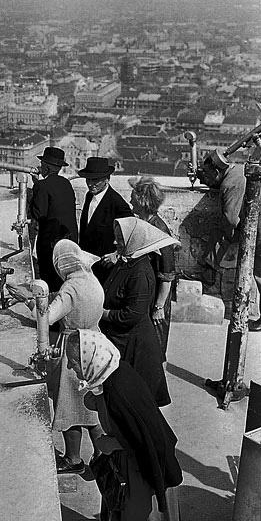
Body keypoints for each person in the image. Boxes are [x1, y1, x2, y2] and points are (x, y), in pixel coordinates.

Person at [64, 329, 183, 521]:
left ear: (90, 360)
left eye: (73, 361)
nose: (69, 367)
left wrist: (110, 444)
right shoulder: (114, 373)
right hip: (129, 466)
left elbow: (145, 438)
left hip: (141, 474)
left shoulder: (118, 393)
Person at [6, 239, 104, 474]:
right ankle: (103, 456)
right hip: (95, 343)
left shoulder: (71, 287)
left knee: (69, 404)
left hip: (73, 347)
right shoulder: (90, 278)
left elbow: (47, 318)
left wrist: (28, 299)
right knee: (93, 407)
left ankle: (73, 459)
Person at [100, 217, 179, 407]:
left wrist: (104, 314)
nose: (115, 242)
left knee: (136, 406)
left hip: (135, 349)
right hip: (122, 342)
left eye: (120, 239)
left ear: (133, 241)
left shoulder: (140, 272)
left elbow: (133, 314)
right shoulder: (127, 261)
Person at [198, 149, 261, 332]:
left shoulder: (230, 183)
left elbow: (231, 221)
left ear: (217, 171)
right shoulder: (236, 171)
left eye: (208, 174)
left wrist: (226, 237)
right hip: (260, 223)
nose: (207, 178)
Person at [129, 177, 177, 361]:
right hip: (146, 294)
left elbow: (167, 275)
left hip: (156, 298)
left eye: (133, 196)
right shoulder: (144, 224)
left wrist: (159, 307)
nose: (130, 200)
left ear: (142, 200)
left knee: (154, 348)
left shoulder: (159, 230)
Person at [29, 146, 78, 292]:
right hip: (70, 240)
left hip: (50, 243)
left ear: (45, 167)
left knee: (49, 280)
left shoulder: (42, 186)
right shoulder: (66, 184)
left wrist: (36, 186)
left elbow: (37, 213)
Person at [78, 157, 133, 284]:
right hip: (87, 266)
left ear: (107, 179)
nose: (90, 183)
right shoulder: (89, 196)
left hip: (105, 269)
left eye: (95, 179)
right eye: (88, 179)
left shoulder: (117, 203)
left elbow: (132, 234)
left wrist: (117, 254)